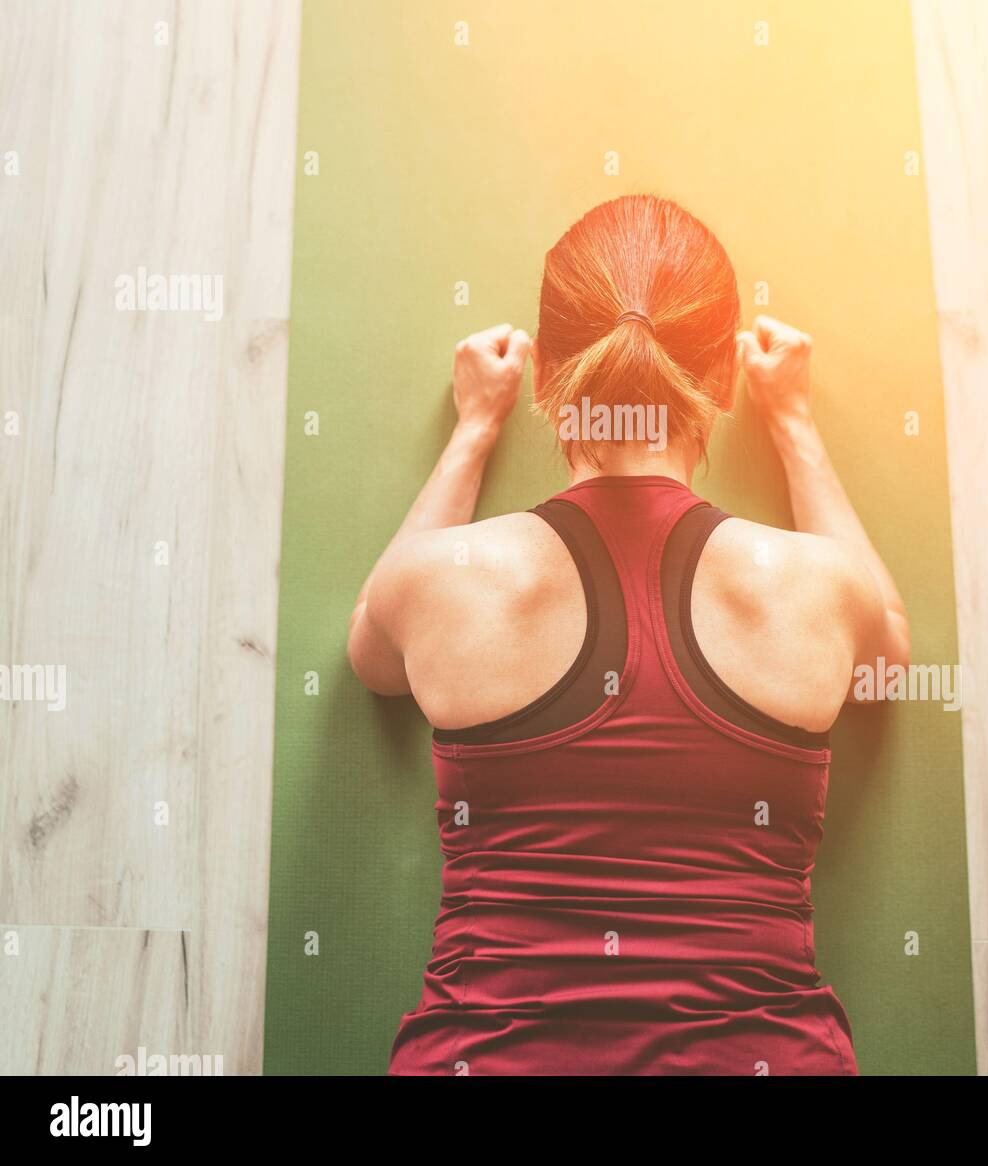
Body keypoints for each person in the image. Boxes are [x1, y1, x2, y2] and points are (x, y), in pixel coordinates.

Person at [348, 194, 909, 1075]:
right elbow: (888, 655)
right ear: (719, 385)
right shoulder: (819, 588)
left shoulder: (435, 583)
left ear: (547, 382)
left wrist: (473, 430)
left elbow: (373, 660)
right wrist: (793, 424)